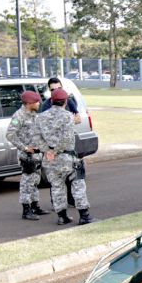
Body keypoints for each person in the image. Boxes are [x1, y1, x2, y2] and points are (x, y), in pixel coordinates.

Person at [36, 88, 94, 225]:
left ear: (51, 101)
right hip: (66, 157)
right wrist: (55, 151)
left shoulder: (41, 117)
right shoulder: (67, 116)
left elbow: (36, 138)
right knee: (77, 184)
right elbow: (67, 139)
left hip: (49, 160)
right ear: (65, 101)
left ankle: (62, 216)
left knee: (56, 187)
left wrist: (47, 151)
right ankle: (84, 215)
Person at [5, 90, 51, 221]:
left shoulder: (33, 114)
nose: (39, 103)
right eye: (36, 102)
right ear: (29, 103)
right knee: (26, 182)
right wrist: (24, 148)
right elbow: (10, 135)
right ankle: (26, 209)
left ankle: (35, 205)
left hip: (36, 154)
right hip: (27, 156)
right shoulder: (19, 116)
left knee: (35, 181)